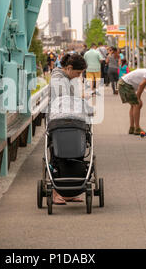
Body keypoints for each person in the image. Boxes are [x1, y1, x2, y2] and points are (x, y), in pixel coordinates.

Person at [49, 53, 88, 205]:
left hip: (69, 120)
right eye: (78, 73)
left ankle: (68, 192)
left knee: (73, 154)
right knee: (57, 156)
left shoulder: (64, 78)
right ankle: (55, 192)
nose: (78, 76)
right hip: (59, 121)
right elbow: (64, 100)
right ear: (69, 68)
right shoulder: (58, 79)